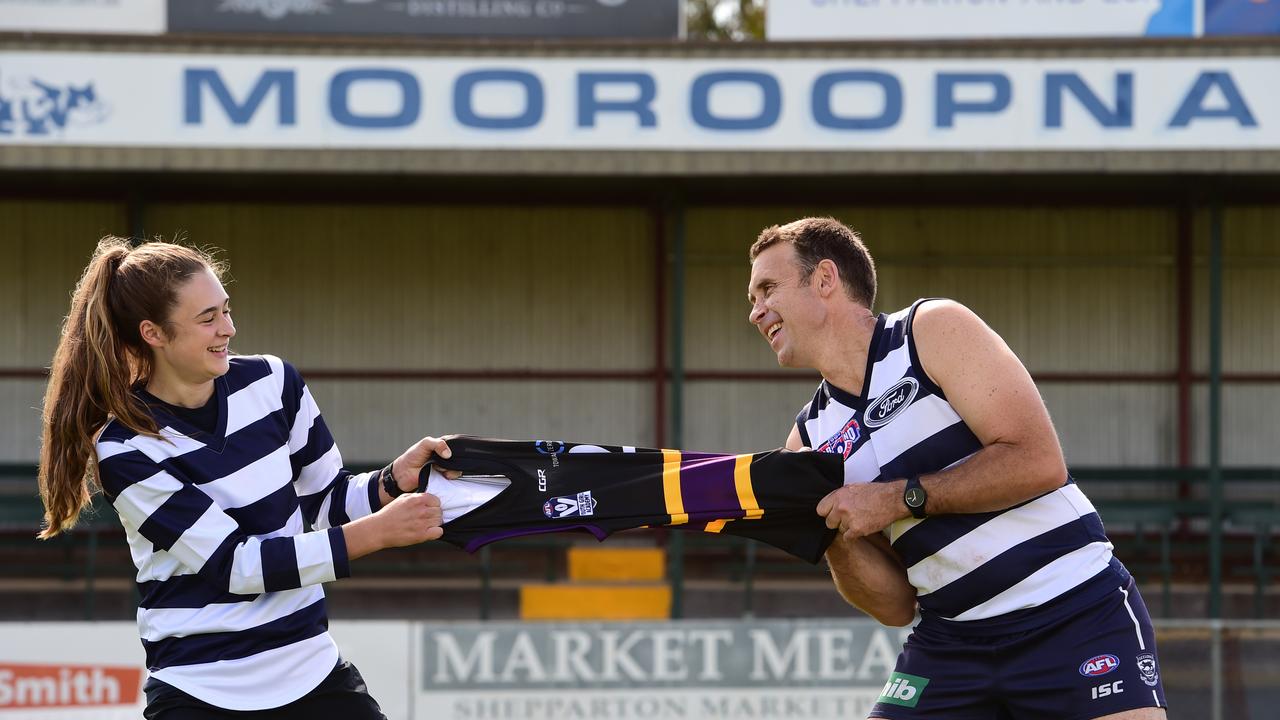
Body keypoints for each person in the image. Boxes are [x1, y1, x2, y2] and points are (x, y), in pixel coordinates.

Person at [745, 217, 1168, 720]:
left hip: (1072, 610)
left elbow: (1038, 461)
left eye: (767, 289)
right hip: (952, 642)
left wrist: (897, 498)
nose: (756, 312)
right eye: (752, 299)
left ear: (825, 280)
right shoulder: (808, 441)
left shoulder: (930, 330)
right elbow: (895, 607)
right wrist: (830, 533)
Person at [37, 237, 452, 719]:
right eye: (207, 318)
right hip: (200, 690)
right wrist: (374, 535)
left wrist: (393, 482)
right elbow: (237, 568)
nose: (228, 328)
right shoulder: (125, 448)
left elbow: (326, 500)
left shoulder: (275, 382)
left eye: (226, 310)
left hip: (311, 669)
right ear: (154, 333)